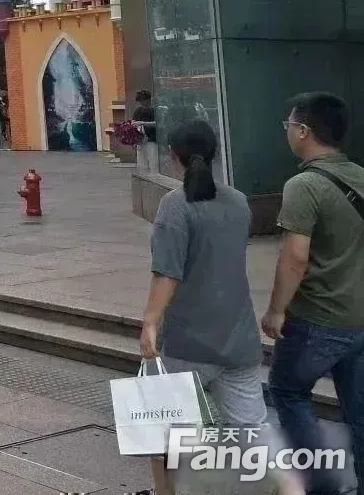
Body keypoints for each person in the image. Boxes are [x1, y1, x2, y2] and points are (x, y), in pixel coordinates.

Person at [139, 119, 274, 495]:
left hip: (187, 343)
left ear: (173, 156)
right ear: (214, 153)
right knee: (252, 433)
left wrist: (150, 322)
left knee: (168, 433)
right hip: (239, 340)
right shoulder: (239, 201)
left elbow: (167, 273)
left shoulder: (174, 205)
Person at [264, 92, 364, 495]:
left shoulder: (303, 185)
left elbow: (295, 257)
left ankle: (321, 485)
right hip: (360, 319)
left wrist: (276, 310)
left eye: (288, 125)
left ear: (303, 130)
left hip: (318, 320)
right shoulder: (359, 175)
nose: (287, 132)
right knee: (359, 413)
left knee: (288, 392)